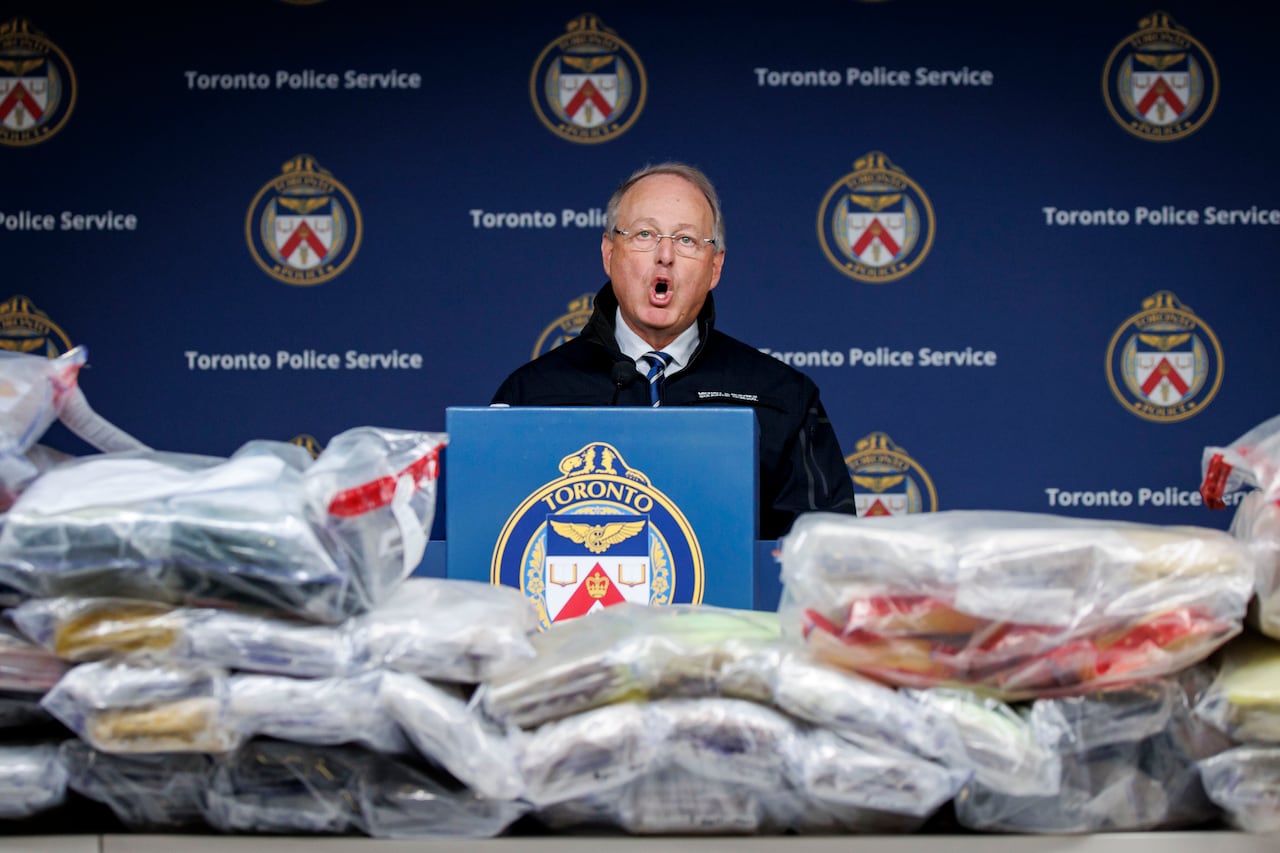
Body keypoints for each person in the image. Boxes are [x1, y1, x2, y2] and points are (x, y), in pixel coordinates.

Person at [491, 161, 856, 539]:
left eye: (686, 240)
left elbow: (827, 558)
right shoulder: (529, 394)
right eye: (645, 234)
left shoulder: (783, 395)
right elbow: (488, 546)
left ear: (715, 267)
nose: (665, 255)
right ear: (609, 253)